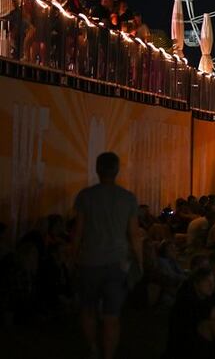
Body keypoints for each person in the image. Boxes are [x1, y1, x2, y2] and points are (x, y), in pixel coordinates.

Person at [71, 152, 140, 359]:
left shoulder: (85, 196)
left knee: (88, 309)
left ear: (97, 169)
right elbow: (134, 235)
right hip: (117, 263)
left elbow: (78, 231)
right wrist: (140, 261)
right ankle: (108, 355)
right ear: (117, 170)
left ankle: (93, 348)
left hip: (89, 261)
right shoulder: (127, 198)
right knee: (112, 316)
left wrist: (72, 256)